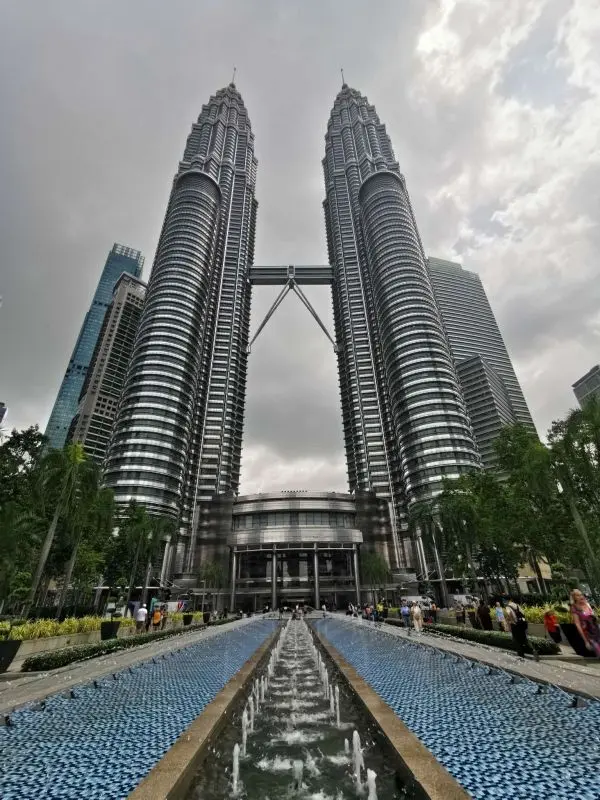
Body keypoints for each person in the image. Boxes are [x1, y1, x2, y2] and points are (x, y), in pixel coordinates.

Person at [570, 589, 600, 656]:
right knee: (598, 649)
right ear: (574, 597)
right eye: (577, 595)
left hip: (597, 630)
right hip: (588, 634)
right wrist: (586, 641)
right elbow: (577, 624)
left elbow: (594, 617)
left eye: (581, 594)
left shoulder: (587, 604)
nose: (580, 596)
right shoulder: (574, 608)